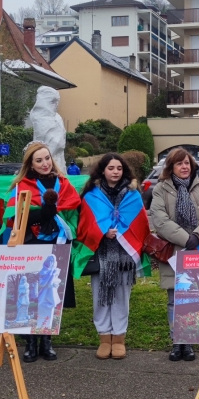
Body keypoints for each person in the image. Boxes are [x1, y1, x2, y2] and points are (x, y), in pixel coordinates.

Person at [10, 142, 81, 363]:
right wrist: (44, 212)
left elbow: (74, 211)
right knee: (31, 293)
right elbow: (17, 216)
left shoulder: (63, 183)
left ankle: (47, 341)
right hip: (33, 244)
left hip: (58, 244)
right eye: (39, 160)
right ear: (30, 164)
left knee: (51, 295)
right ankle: (30, 342)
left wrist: (58, 216)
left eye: (47, 158)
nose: (45, 163)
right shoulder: (22, 184)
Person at [76, 153, 150, 360]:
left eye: (119, 168)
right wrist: (102, 231)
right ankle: (104, 337)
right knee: (100, 296)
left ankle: (118, 338)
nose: (115, 172)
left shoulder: (133, 194)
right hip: (100, 255)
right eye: (111, 168)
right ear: (103, 170)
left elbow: (140, 223)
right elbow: (85, 223)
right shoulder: (92, 195)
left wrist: (121, 231)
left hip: (125, 255)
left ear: (124, 170)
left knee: (121, 297)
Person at [149, 148, 199, 362]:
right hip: (174, 251)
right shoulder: (160, 189)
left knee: (192, 299)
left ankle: (187, 341)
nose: (184, 167)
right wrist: (184, 238)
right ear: (171, 167)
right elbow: (159, 219)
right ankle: (176, 341)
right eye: (179, 164)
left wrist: (197, 236)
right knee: (174, 300)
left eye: (187, 163)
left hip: (197, 249)